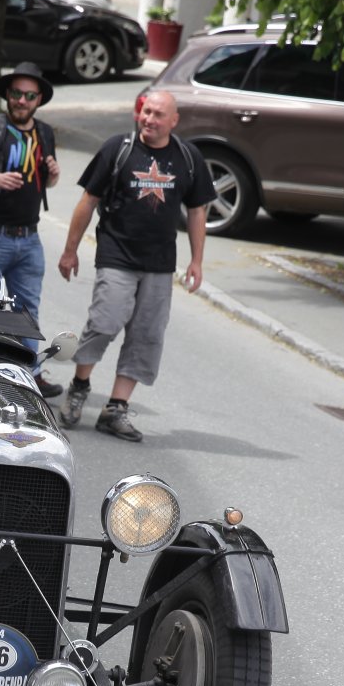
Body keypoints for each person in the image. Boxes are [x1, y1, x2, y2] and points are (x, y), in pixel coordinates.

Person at [55, 90, 211, 443]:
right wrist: (70, 251)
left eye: (158, 114)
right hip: (117, 254)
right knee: (104, 323)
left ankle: (116, 408)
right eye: (146, 111)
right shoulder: (118, 149)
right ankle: (80, 386)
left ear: (174, 121)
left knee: (146, 336)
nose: (149, 119)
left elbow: (197, 210)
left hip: (160, 264)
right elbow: (88, 200)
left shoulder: (188, 157)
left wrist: (197, 260)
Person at [0, 61, 61, 398]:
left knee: (27, 312)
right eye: (16, 94)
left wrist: (53, 173)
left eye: (29, 96)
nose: (22, 101)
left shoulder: (45, 133)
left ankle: (30, 374)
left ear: (38, 99)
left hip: (29, 238)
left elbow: (48, 181)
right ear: (8, 95)